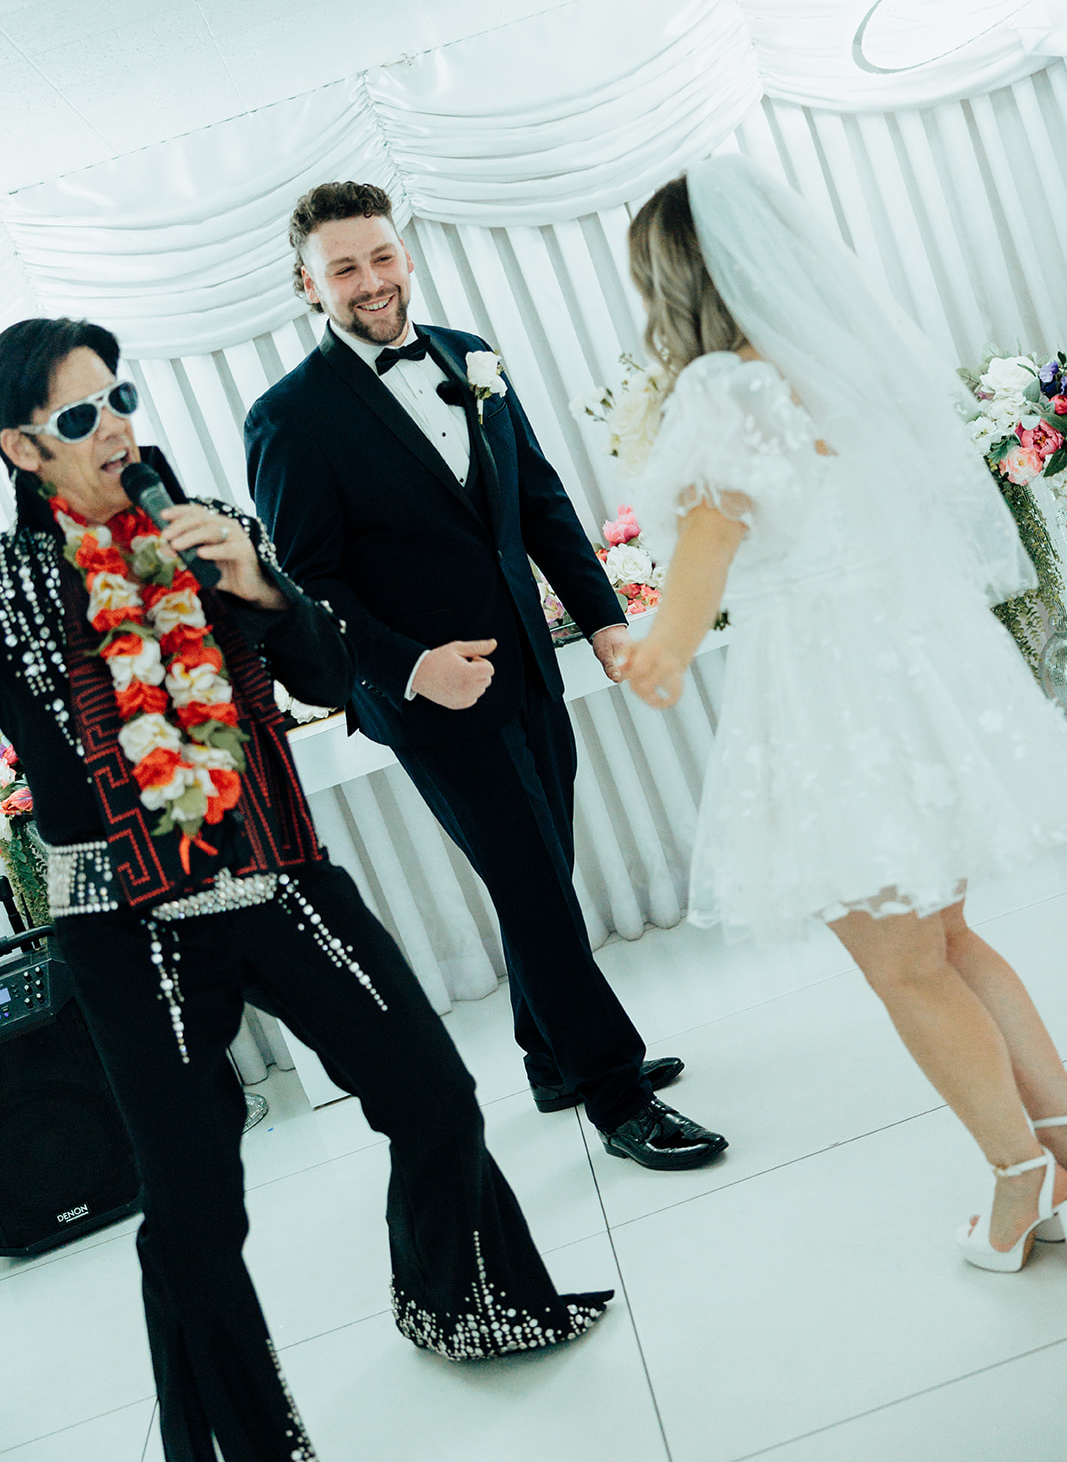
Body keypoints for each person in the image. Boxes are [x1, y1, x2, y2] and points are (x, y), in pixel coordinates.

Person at [0, 316, 615, 1462]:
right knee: (193, 1205)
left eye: (119, 395)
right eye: (81, 416)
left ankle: (458, 1298)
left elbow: (329, 678)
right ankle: (238, 1443)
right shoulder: (7, 593)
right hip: (128, 928)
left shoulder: (207, 530)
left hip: (281, 877)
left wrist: (260, 585)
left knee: (434, 1093)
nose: (118, 425)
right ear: (22, 451)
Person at [620, 155, 1067, 1272]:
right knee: (950, 939)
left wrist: (658, 648)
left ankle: (1018, 1190)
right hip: (904, 675)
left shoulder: (723, 385)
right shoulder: (835, 366)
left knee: (904, 965)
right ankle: (1057, 1156)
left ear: (681, 277)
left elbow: (715, 532)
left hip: (823, 696)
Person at [244, 181, 726, 1171]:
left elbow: (539, 501)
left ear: (403, 254)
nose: (370, 280)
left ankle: (546, 1053)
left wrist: (600, 621)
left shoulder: (468, 356)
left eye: (381, 256)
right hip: (431, 702)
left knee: (539, 871)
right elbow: (306, 579)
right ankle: (613, 1090)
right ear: (308, 285)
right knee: (536, 888)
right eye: (344, 268)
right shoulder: (288, 417)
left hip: (530, 672)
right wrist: (413, 666)